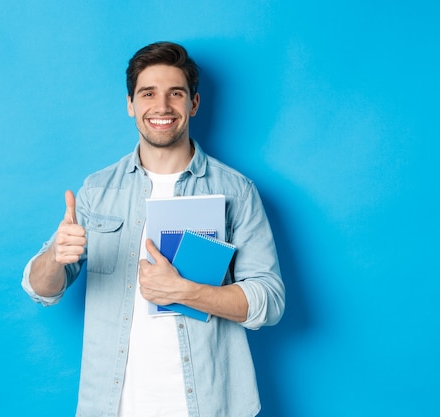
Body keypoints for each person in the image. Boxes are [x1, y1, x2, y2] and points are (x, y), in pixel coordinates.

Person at [22, 41, 285, 417]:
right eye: (148, 94)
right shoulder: (97, 191)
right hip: (112, 406)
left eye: (175, 94)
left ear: (193, 104)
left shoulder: (236, 192)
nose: (162, 107)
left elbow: (269, 300)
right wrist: (54, 256)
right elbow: (40, 289)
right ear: (131, 104)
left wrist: (185, 291)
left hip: (212, 404)